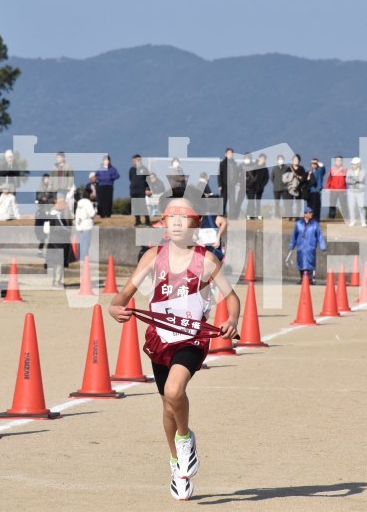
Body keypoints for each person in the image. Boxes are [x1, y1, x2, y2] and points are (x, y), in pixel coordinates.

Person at [108, 188, 240, 501]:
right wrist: (115, 307)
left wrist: (232, 319)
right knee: (168, 405)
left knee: (174, 391)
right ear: (163, 223)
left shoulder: (206, 261)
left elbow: (232, 298)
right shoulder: (153, 257)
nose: (177, 221)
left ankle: (185, 438)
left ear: (196, 223)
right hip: (160, 339)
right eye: (172, 216)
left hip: (191, 339)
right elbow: (123, 295)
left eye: (185, 216)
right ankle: (176, 465)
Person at [287, 206, 327, 284]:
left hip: (310, 247)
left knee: (310, 263)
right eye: (309, 213)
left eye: (311, 213)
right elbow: (294, 235)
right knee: (301, 263)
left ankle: (310, 279)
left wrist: (322, 246)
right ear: (305, 214)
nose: (311, 214)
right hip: (301, 248)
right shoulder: (298, 224)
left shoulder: (315, 224)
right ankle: (302, 278)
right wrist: (291, 245)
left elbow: (319, 235)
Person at [45, 193, 73, 288]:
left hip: (55, 240)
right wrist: (69, 231)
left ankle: (57, 280)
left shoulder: (53, 214)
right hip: (59, 241)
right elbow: (60, 228)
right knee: (59, 262)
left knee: (58, 262)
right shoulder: (56, 215)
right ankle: (57, 281)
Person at [129, 154, 151, 226]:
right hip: (133, 191)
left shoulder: (144, 169)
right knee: (135, 207)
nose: (134, 162)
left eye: (136, 160)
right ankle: (138, 221)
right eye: (133, 160)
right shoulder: (131, 170)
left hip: (141, 190)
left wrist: (148, 189)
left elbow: (148, 180)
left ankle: (147, 221)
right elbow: (130, 179)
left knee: (143, 206)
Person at [282, 154, 306, 220]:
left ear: (299, 161)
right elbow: (285, 178)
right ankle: (290, 216)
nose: (296, 161)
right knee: (290, 202)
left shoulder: (301, 169)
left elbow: (304, 178)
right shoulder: (288, 169)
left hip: (299, 187)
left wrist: (299, 177)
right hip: (290, 188)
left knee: (298, 202)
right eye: (295, 159)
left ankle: (297, 216)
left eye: (297, 160)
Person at [74, 189, 96, 261]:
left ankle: (80, 258)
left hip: (80, 225)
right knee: (86, 243)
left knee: (81, 242)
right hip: (87, 225)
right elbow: (92, 213)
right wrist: (95, 209)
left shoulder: (79, 203)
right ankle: (84, 259)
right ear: (89, 194)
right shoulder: (88, 203)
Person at [346, 157, 367, 226]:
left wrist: (352, 179)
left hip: (360, 192)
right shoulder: (349, 171)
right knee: (351, 207)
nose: (353, 165)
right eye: (352, 164)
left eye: (354, 164)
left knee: (361, 207)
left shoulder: (363, 171)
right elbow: (347, 180)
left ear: (358, 164)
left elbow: (361, 179)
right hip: (351, 192)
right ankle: (352, 221)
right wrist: (355, 180)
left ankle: (363, 221)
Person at [325, 156, 347, 220]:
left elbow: (349, 178)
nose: (338, 162)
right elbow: (329, 179)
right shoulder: (332, 169)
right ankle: (331, 217)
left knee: (343, 204)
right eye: (337, 160)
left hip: (342, 190)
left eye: (340, 161)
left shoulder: (345, 169)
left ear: (342, 162)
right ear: (335, 162)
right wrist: (327, 188)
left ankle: (345, 217)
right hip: (333, 189)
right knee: (332, 204)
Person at [218, 148, 238, 218]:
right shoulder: (222, 163)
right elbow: (219, 175)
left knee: (232, 202)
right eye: (229, 153)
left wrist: (237, 183)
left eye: (231, 153)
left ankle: (232, 216)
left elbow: (236, 175)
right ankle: (222, 215)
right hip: (224, 185)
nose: (230, 155)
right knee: (223, 201)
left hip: (232, 185)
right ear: (225, 154)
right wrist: (220, 185)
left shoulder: (234, 163)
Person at [252, 153, 269, 219]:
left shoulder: (265, 169)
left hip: (260, 188)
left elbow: (266, 178)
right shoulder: (254, 166)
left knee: (258, 201)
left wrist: (262, 185)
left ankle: (258, 214)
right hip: (252, 187)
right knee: (251, 201)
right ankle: (251, 214)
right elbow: (250, 175)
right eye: (261, 158)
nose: (262, 160)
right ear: (259, 158)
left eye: (263, 159)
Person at [242, 153, 257, 219]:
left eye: (248, 158)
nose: (247, 159)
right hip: (242, 186)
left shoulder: (253, 166)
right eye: (246, 157)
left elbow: (256, 176)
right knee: (239, 201)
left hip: (251, 187)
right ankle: (234, 215)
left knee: (251, 201)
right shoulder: (241, 166)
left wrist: (252, 183)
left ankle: (251, 215)